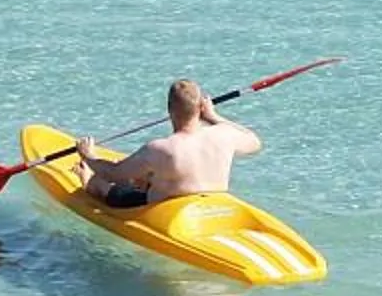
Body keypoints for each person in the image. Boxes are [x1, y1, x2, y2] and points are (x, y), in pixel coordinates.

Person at [67, 79, 261, 209]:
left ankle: (87, 179)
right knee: (148, 177)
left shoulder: (160, 149)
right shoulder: (223, 134)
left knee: (101, 182)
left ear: (169, 109)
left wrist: (88, 156)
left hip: (161, 211)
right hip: (211, 205)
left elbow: (113, 174)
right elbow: (254, 140)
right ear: (201, 107)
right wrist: (213, 117)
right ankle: (142, 179)